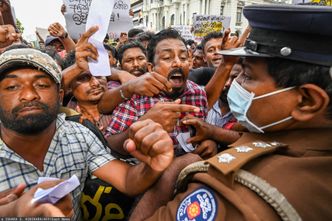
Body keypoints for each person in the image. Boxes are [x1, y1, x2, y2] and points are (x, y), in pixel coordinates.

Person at [129, 4, 332, 220]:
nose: (234, 84)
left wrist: (173, 170)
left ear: (307, 101)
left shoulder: (231, 193)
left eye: (247, 76)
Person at [0, 47, 174, 220]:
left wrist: (153, 166)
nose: (29, 95)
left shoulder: (79, 135)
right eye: (12, 86)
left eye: (42, 85)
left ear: (60, 96)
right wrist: (10, 210)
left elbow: (128, 180)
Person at [106, 28, 212, 158]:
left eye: (183, 57)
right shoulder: (137, 96)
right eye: (167, 58)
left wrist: (209, 141)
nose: (178, 63)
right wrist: (144, 123)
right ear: (151, 68)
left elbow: (204, 132)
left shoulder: (199, 93)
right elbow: (110, 143)